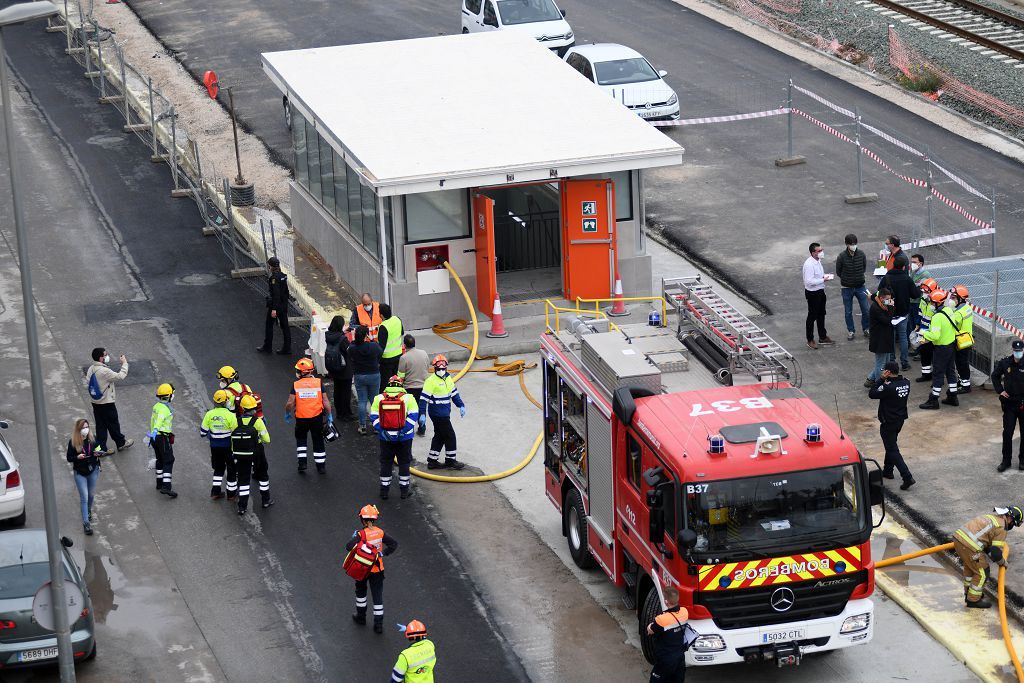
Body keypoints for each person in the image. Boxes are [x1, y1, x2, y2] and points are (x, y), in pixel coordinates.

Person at [953, 506, 1022, 608]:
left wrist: (992, 554)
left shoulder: (991, 518)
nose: (1012, 526)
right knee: (982, 572)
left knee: (970, 569)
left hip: (958, 540)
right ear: (1011, 519)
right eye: (1013, 523)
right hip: (969, 547)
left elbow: (987, 545)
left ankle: (969, 594)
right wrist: (1003, 562)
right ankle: (973, 601)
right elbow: (995, 552)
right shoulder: (1002, 527)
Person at [346, 504, 398, 634]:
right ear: (374, 519)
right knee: (377, 596)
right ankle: (378, 625)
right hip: (377, 570)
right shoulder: (380, 532)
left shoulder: (361, 534)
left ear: (362, 520)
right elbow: (393, 544)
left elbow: (348, 547)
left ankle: (361, 617)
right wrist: (382, 554)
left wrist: (355, 538)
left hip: (362, 569)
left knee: (361, 592)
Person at [370, 376, 420, 499]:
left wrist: (382, 431)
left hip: (385, 438)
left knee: (386, 463)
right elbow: (413, 416)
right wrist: (403, 431)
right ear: (401, 385)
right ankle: (404, 491)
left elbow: (373, 417)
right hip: (404, 438)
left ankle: (384, 491)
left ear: (389, 385)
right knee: (404, 462)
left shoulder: (379, 398)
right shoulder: (409, 398)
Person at [869, 361, 914, 490]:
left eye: (884, 371)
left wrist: (881, 379)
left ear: (888, 372)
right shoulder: (906, 382)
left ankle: (907, 476)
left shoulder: (887, 387)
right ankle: (888, 470)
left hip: (888, 421)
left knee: (892, 449)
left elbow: (872, 393)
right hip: (900, 420)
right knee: (891, 444)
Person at [420, 355, 467, 470]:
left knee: (439, 436)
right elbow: (423, 399)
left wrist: (460, 405)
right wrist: (422, 414)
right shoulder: (430, 381)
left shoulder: (448, 378)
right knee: (450, 436)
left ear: (446, 368)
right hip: (437, 414)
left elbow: (454, 394)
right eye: (439, 369)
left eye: (443, 369)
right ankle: (450, 460)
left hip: (445, 413)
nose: (441, 371)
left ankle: (432, 460)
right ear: (435, 368)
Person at [285, 357, 332, 473]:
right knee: (318, 441)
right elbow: (325, 401)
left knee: (301, 439)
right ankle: (321, 467)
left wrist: (287, 413)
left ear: (302, 372)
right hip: (316, 417)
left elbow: (290, 402)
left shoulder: (296, 385)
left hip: (301, 418)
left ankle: (302, 464)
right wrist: (329, 415)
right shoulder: (318, 382)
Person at [86, 348, 134, 454]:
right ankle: (121, 443)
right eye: (105, 355)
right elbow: (120, 376)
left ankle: (100, 449)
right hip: (107, 403)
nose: (107, 356)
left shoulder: (91, 369)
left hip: (95, 402)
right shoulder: (104, 371)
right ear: (101, 358)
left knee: (101, 426)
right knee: (113, 424)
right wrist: (124, 363)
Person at [232, 395, 274, 515]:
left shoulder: (236, 421)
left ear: (243, 408)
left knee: (243, 479)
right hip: (257, 452)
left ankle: (242, 507)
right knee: (263, 475)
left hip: (241, 453)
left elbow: (232, 439)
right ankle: (266, 500)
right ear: (254, 408)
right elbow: (267, 440)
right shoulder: (258, 422)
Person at [919, 290, 958, 410]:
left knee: (938, 373)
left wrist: (924, 334)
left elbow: (935, 336)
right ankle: (953, 396)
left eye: (931, 302)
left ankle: (933, 399)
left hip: (941, 348)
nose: (930, 303)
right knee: (950, 371)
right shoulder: (949, 311)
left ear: (937, 303)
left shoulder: (937, 317)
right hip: (951, 345)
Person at [645, 585, 691, 683]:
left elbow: (650, 630)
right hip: (680, 656)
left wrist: (650, 625)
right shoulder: (685, 612)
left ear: (666, 602)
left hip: (666, 658)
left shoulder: (662, 619)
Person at [66, 418, 103, 535]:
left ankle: (88, 510)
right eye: (83, 427)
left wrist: (98, 453)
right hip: (80, 472)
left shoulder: (93, 438)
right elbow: (69, 458)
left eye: (87, 427)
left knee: (91, 495)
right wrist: (77, 457)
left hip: (92, 470)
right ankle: (86, 523)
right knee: (84, 497)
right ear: (78, 429)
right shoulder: (73, 442)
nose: (85, 429)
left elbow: (99, 450)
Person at [992, 339, 1024, 472]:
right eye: (1016, 351)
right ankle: (1006, 461)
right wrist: (1000, 390)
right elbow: (995, 376)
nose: (1018, 353)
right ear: (1012, 350)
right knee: (1007, 433)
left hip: (1023, 404)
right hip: (1010, 404)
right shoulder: (1005, 363)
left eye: (1020, 351)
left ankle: (1022, 460)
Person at [200, 390, 238, 500]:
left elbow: (202, 433)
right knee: (231, 469)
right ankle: (231, 494)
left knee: (218, 468)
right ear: (226, 402)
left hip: (215, 448)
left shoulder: (209, 414)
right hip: (228, 447)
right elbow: (235, 433)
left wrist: (212, 435)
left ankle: (215, 492)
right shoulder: (231, 415)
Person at [879, 252, 914, 370]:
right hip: (903, 312)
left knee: (891, 337)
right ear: (904, 267)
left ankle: (892, 362)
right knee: (903, 336)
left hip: (890, 311)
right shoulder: (907, 279)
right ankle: (904, 363)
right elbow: (915, 294)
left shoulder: (887, 277)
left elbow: (880, 292)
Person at [349, 325, 383, 435]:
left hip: (359, 376)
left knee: (362, 401)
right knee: (374, 401)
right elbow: (380, 351)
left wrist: (355, 341)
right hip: (374, 375)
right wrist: (372, 339)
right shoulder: (373, 346)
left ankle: (362, 426)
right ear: (366, 336)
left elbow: (349, 350)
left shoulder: (353, 348)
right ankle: (377, 426)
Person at [835, 234, 869, 341]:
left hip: (860, 286)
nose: (853, 246)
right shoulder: (841, 256)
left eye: (855, 244)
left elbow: (863, 268)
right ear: (847, 244)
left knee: (866, 309)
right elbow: (838, 271)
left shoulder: (861, 254)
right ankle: (851, 331)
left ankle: (866, 328)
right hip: (846, 288)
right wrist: (847, 279)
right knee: (848, 311)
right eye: (851, 244)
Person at [802, 242, 834, 350]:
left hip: (820, 290)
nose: (821, 252)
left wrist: (824, 277)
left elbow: (818, 276)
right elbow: (809, 281)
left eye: (821, 250)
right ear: (813, 253)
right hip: (812, 293)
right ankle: (810, 339)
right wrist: (822, 279)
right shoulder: (809, 264)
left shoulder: (818, 261)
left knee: (821, 314)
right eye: (819, 251)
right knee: (812, 316)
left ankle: (822, 336)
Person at [148, 383, 177, 498]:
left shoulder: (156, 406)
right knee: (169, 460)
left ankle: (159, 483)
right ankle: (166, 486)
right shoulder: (164, 409)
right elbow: (159, 421)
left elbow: (153, 420)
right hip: (162, 437)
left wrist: (152, 434)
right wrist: (155, 431)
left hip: (155, 438)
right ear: (168, 396)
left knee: (160, 459)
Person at [257, 256, 291, 354]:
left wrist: (274, 309)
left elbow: (276, 294)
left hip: (276, 306)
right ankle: (287, 348)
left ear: (271, 266)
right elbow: (286, 292)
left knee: (269, 325)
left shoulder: (274, 279)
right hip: (283, 305)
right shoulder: (283, 276)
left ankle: (267, 347)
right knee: (285, 327)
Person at [398, 334, 430, 437]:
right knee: (421, 407)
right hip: (424, 386)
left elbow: (401, 376)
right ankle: (422, 428)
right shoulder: (424, 353)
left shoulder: (404, 358)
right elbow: (427, 367)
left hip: (409, 387)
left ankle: (409, 429)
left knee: (410, 409)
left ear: (405, 345)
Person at [325, 315, 354, 421]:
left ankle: (339, 413)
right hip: (344, 368)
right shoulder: (342, 339)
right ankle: (346, 413)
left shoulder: (328, 335)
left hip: (333, 367)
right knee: (346, 392)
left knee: (337, 390)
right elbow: (349, 351)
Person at [864, 288, 895, 387]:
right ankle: (878, 383)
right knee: (880, 364)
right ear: (881, 298)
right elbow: (887, 320)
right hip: (879, 340)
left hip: (885, 338)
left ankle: (870, 379)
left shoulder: (882, 305)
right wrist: (891, 306)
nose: (889, 301)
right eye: (887, 299)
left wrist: (889, 305)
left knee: (885, 363)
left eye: (890, 299)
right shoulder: (875, 308)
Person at [914, 279, 940, 383]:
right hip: (923, 332)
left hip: (932, 334)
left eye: (926, 292)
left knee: (935, 357)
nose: (924, 293)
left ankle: (937, 378)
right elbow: (920, 312)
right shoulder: (924, 300)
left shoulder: (937, 303)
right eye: (924, 291)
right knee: (924, 354)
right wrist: (917, 325)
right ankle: (926, 374)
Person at [949, 284, 974, 394]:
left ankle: (966, 385)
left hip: (960, 341)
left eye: (954, 298)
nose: (951, 299)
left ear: (960, 298)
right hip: (966, 339)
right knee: (962, 362)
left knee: (961, 363)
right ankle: (963, 381)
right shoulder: (967, 308)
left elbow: (952, 326)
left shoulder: (958, 313)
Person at [378, 304, 404, 390]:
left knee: (385, 383)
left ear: (381, 315)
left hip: (387, 360)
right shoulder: (397, 319)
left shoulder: (383, 326)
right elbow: (402, 332)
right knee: (397, 380)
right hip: (398, 355)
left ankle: (386, 400)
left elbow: (381, 346)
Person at [909, 253, 931, 338]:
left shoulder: (925, 275)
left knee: (917, 324)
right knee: (912, 323)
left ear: (920, 263)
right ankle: (913, 340)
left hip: (918, 303)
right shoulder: (914, 272)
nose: (912, 264)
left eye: (914, 262)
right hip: (911, 301)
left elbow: (917, 287)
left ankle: (917, 343)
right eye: (912, 262)